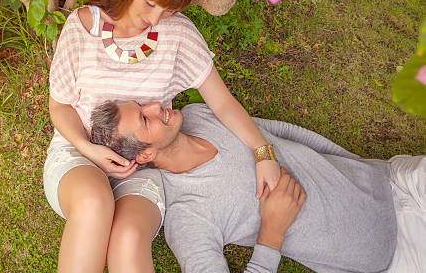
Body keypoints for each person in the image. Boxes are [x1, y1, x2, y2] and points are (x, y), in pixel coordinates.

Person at [44, 0, 282, 272]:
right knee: (94, 203)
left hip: (142, 166)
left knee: (127, 235)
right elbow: (60, 107)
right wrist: (88, 148)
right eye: (151, 4)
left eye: (168, 10)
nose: (155, 18)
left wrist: (263, 152)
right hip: (80, 153)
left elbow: (222, 101)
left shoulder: (177, 34)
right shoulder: (82, 29)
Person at [90, 100, 426, 273]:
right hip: (397, 259)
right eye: (145, 119)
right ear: (146, 153)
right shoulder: (187, 217)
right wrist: (272, 232)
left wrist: (349, 162)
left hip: (396, 180)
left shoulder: (198, 114)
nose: (154, 106)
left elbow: (279, 132)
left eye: (142, 104)